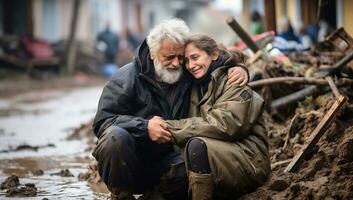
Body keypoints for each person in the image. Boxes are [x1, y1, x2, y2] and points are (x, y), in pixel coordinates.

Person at [92, 19, 249, 200]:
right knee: (114, 138)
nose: (176, 64)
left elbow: (215, 57)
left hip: (171, 163)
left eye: (180, 57)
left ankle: (154, 197)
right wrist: (144, 127)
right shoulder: (125, 78)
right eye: (168, 57)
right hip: (131, 164)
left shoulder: (188, 72)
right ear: (152, 53)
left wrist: (238, 67)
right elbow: (103, 121)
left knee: (198, 157)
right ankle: (122, 195)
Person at [159, 34, 271, 199]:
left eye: (195, 57)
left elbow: (225, 124)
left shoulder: (234, 82)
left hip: (250, 160)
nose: (191, 65)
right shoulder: (194, 86)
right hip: (220, 155)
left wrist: (168, 127)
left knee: (197, 147)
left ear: (213, 55)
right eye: (187, 61)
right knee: (169, 172)